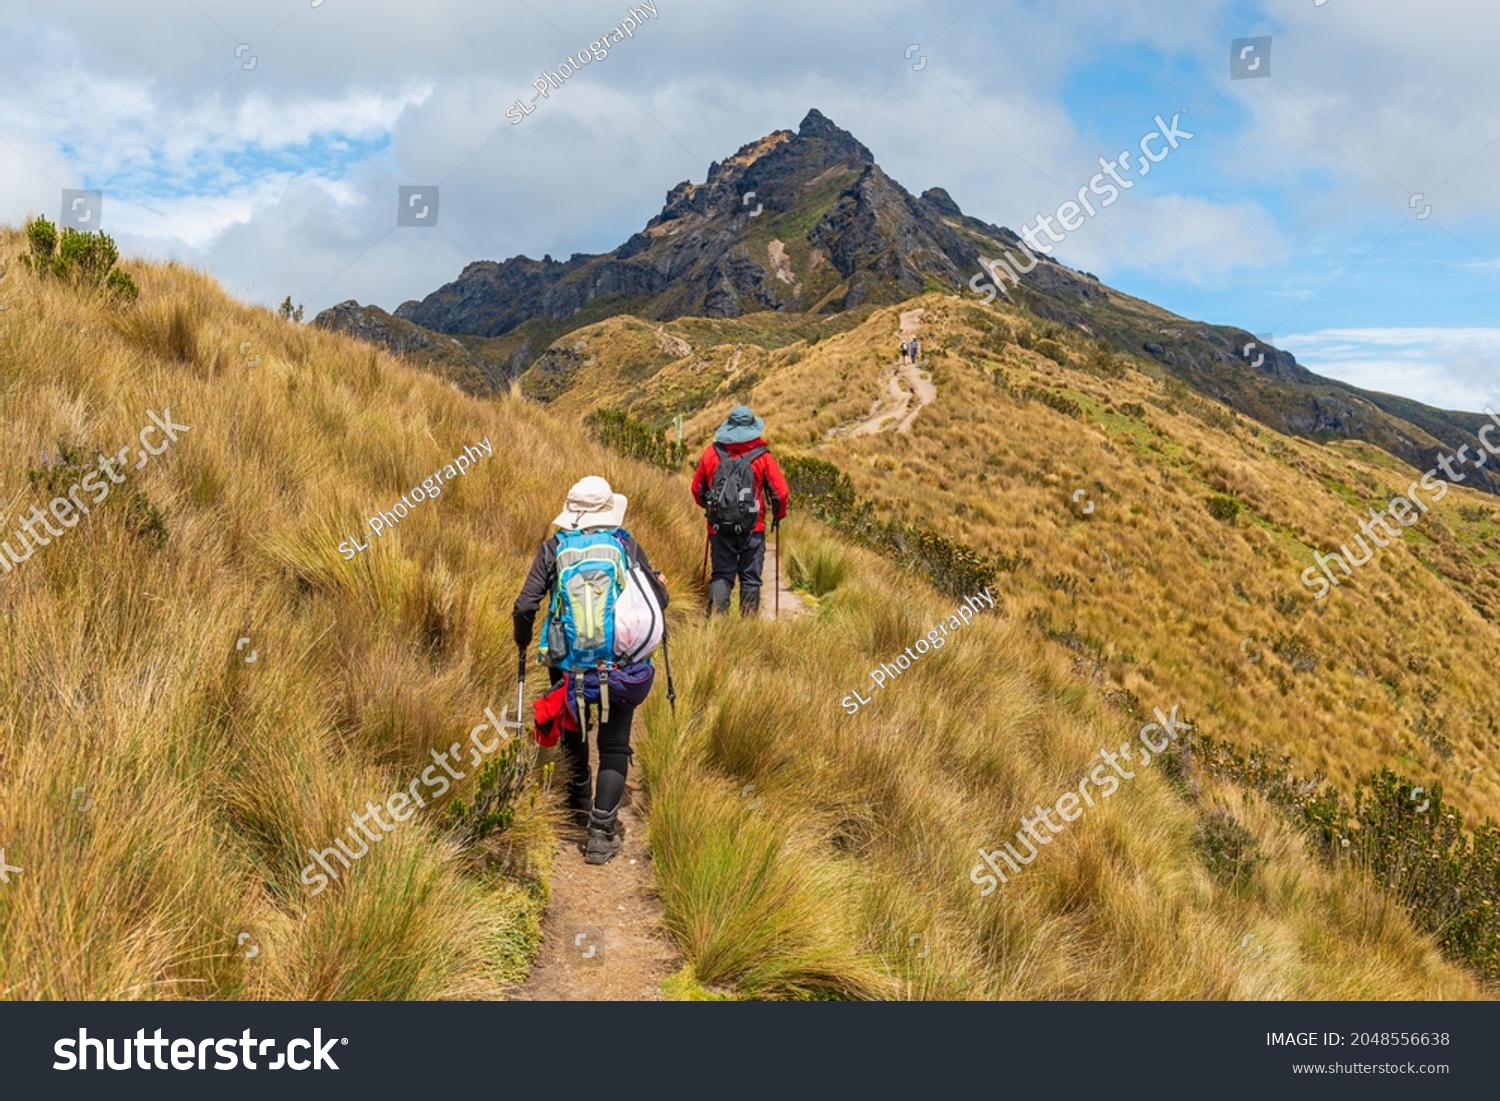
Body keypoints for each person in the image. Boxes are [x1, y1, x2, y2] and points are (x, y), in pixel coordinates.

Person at [513, 475, 669, 864]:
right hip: (619, 663)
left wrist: (522, 640)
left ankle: (578, 798)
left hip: (567, 662)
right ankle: (601, 835)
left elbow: (525, 605)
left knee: (573, 729)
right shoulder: (626, 545)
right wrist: (661, 586)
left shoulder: (553, 548)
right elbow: (657, 601)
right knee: (615, 743)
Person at [690, 405, 790, 617]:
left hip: (718, 528)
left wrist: (711, 509)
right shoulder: (763, 457)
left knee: (721, 575)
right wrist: (778, 516)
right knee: (750, 578)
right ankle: (747, 629)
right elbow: (780, 493)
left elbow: (697, 490)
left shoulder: (711, 453)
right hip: (753, 528)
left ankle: (716, 627)